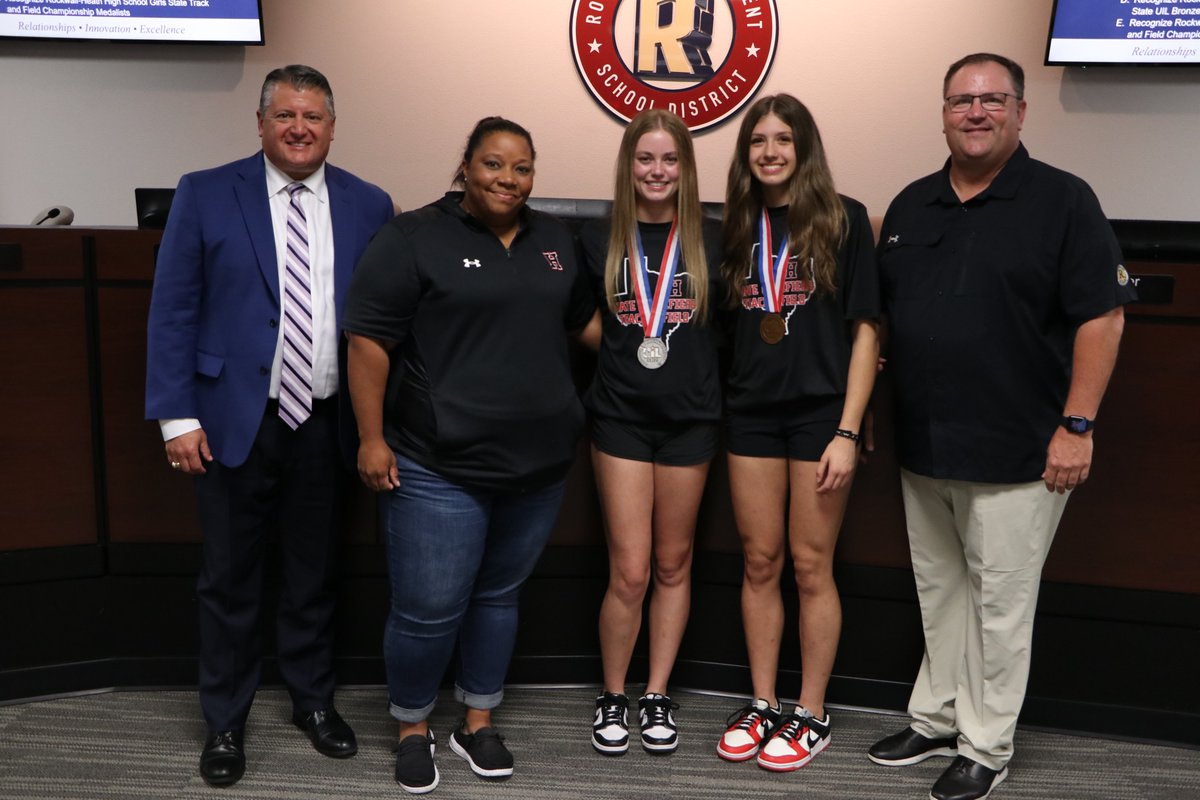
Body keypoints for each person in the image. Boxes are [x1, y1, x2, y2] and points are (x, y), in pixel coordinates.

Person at [866, 53, 1134, 800]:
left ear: (1021, 111)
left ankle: (986, 745)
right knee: (940, 590)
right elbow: (885, 321)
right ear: (943, 112)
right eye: (961, 100)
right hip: (926, 446)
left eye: (993, 100)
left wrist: (1077, 425)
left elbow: (1102, 319)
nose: (975, 112)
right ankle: (937, 716)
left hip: (1022, 452)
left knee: (999, 604)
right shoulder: (913, 206)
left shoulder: (1063, 201)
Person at [144, 65, 394, 787]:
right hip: (227, 424)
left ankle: (314, 704)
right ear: (259, 123)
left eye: (313, 116)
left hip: (325, 420)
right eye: (284, 114)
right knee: (229, 579)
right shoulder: (205, 191)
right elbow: (173, 310)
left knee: (315, 574)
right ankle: (225, 720)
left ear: (333, 126)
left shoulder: (368, 204)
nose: (299, 128)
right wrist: (176, 417)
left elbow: (379, 323)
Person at [343, 116, 600, 795]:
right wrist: (371, 438)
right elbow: (369, 342)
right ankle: (412, 726)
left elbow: (586, 326)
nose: (508, 179)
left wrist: (673, 341)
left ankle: (476, 721)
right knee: (428, 608)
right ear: (464, 167)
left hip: (538, 468)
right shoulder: (413, 238)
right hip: (437, 467)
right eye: (493, 164)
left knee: (497, 598)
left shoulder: (556, 241)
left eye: (521, 168)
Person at [714, 94, 880, 772]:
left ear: (804, 147)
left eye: (784, 139)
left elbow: (868, 328)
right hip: (749, 415)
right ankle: (763, 703)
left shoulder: (844, 219)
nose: (771, 151)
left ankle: (810, 711)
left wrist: (848, 428)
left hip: (819, 417)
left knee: (812, 567)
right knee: (760, 562)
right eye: (758, 140)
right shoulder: (731, 226)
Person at [578, 110, 723, 756]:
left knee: (672, 564)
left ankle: (657, 692)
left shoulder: (716, 241)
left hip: (692, 421)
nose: (657, 171)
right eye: (645, 160)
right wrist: (622, 348)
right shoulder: (597, 238)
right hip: (621, 421)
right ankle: (614, 693)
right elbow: (571, 318)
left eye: (669, 161)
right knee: (630, 570)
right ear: (628, 166)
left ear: (686, 170)